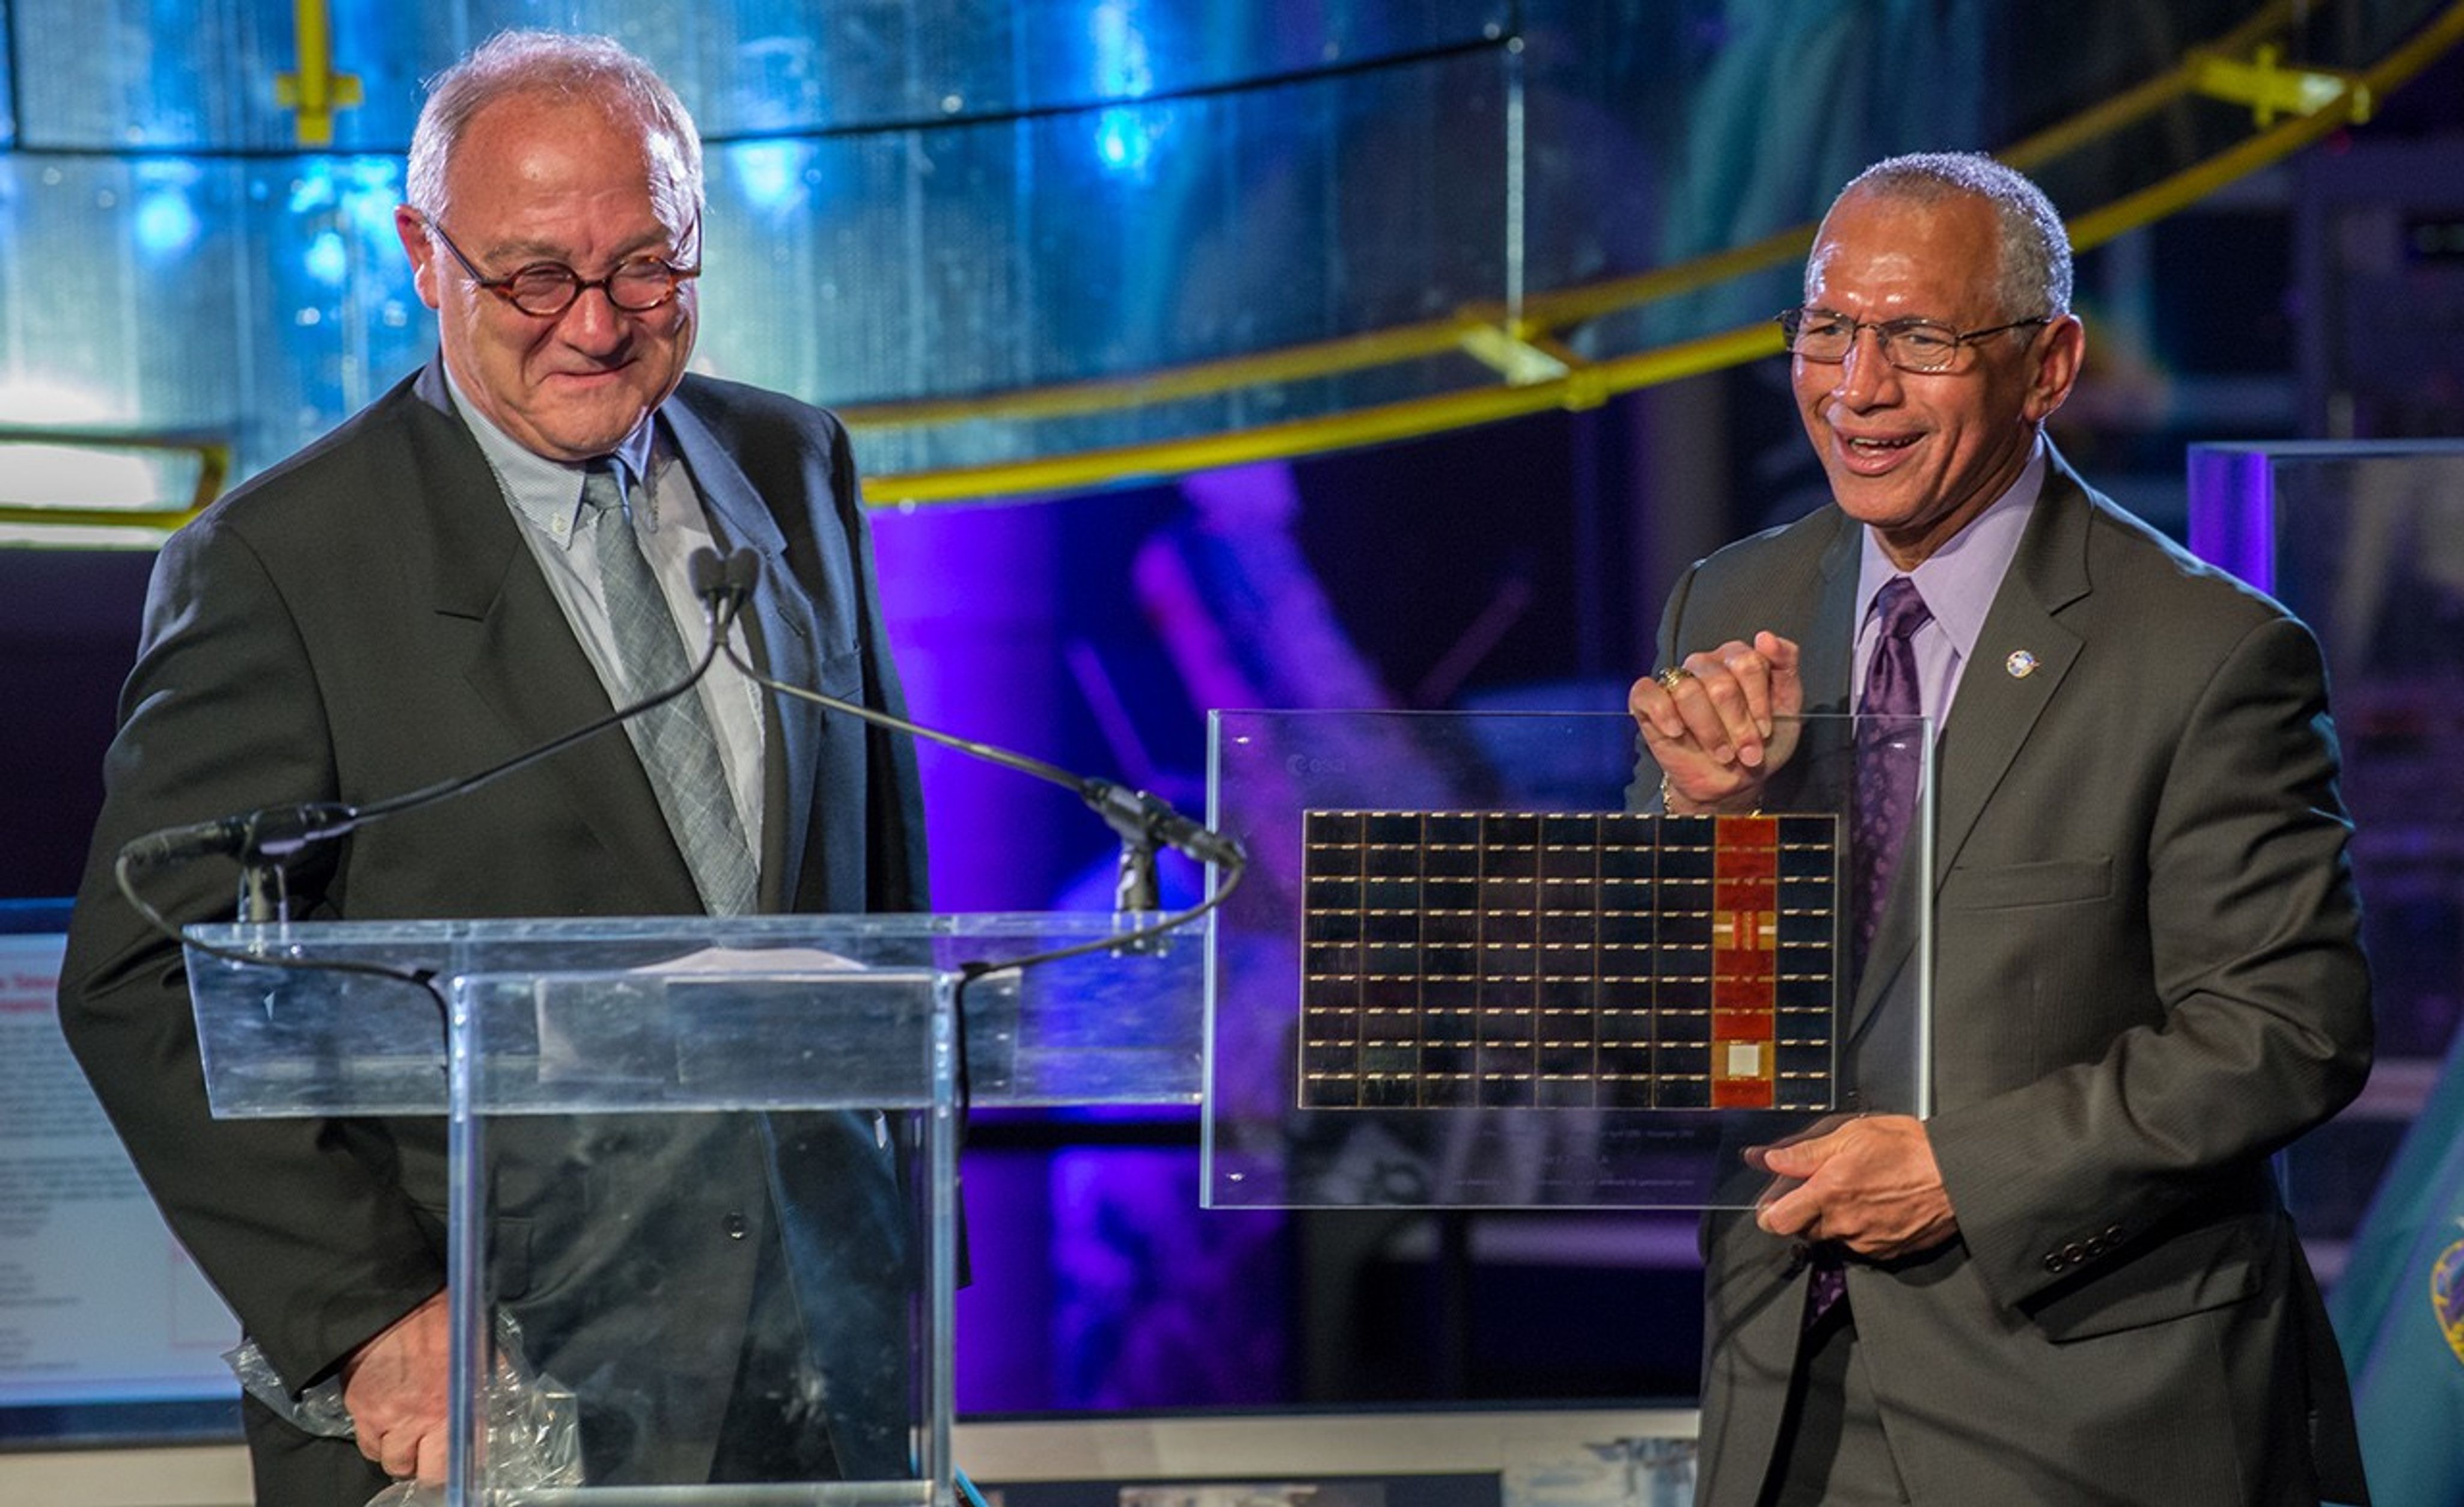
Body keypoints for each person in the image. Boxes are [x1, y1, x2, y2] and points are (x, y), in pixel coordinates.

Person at [58, 30, 926, 1505]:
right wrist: (372, 1315)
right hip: (488, 1390)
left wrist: (903, 1255)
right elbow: (142, 981)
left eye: (646, 267)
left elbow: (878, 876)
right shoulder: (281, 564)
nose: (594, 325)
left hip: (815, 1367)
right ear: (423, 257)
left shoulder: (791, 462)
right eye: (535, 278)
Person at [1627, 152, 2373, 1505]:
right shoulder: (1730, 600)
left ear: (2048, 365)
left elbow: (2285, 1029)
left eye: (1917, 337)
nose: (1855, 388)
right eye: (1826, 328)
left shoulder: (2206, 650)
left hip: (2090, 1415)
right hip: (1784, 1400)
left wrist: (1961, 1171)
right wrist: (1707, 821)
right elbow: (1687, 1025)